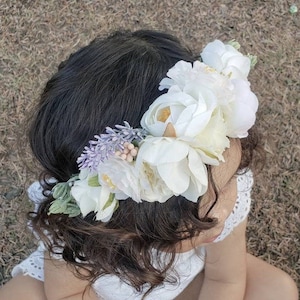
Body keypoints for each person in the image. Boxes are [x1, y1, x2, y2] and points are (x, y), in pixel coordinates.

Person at [0, 30, 298, 300]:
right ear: (128, 220)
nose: (221, 215)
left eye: (230, 178)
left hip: (183, 280)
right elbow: (69, 295)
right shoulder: (80, 228)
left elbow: (226, 280)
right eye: (194, 217)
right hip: (96, 292)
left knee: (277, 290)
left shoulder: (221, 204)